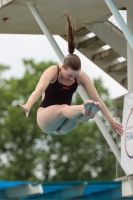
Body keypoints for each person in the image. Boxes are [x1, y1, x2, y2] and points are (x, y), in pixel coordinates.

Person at [18, 11, 124, 136]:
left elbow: (96, 98)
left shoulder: (81, 76)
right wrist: (28, 105)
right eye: (69, 75)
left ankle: (87, 113)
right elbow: (39, 89)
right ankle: (83, 109)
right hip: (46, 119)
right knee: (64, 108)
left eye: (75, 76)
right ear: (62, 67)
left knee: (80, 115)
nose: (72, 79)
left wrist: (111, 120)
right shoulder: (53, 71)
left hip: (66, 122)